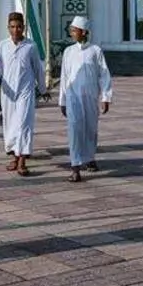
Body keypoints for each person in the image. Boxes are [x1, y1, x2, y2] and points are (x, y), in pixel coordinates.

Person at [0, 12, 46, 176]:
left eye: (19, 27)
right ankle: (14, 158)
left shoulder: (31, 46)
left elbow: (38, 69)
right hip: (8, 92)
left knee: (24, 124)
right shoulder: (3, 46)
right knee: (10, 124)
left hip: (26, 91)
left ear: (23, 28)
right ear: (8, 28)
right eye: (12, 27)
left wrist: (43, 89)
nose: (16, 30)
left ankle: (22, 161)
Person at [58, 15, 112, 183]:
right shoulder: (68, 51)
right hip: (73, 98)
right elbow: (64, 77)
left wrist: (106, 97)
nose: (72, 33)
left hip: (90, 98)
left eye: (75, 30)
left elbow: (104, 74)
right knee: (74, 131)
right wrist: (63, 101)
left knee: (90, 130)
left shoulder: (95, 51)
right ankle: (75, 167)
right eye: (72, 30)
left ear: (83, 32)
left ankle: (89, 157)